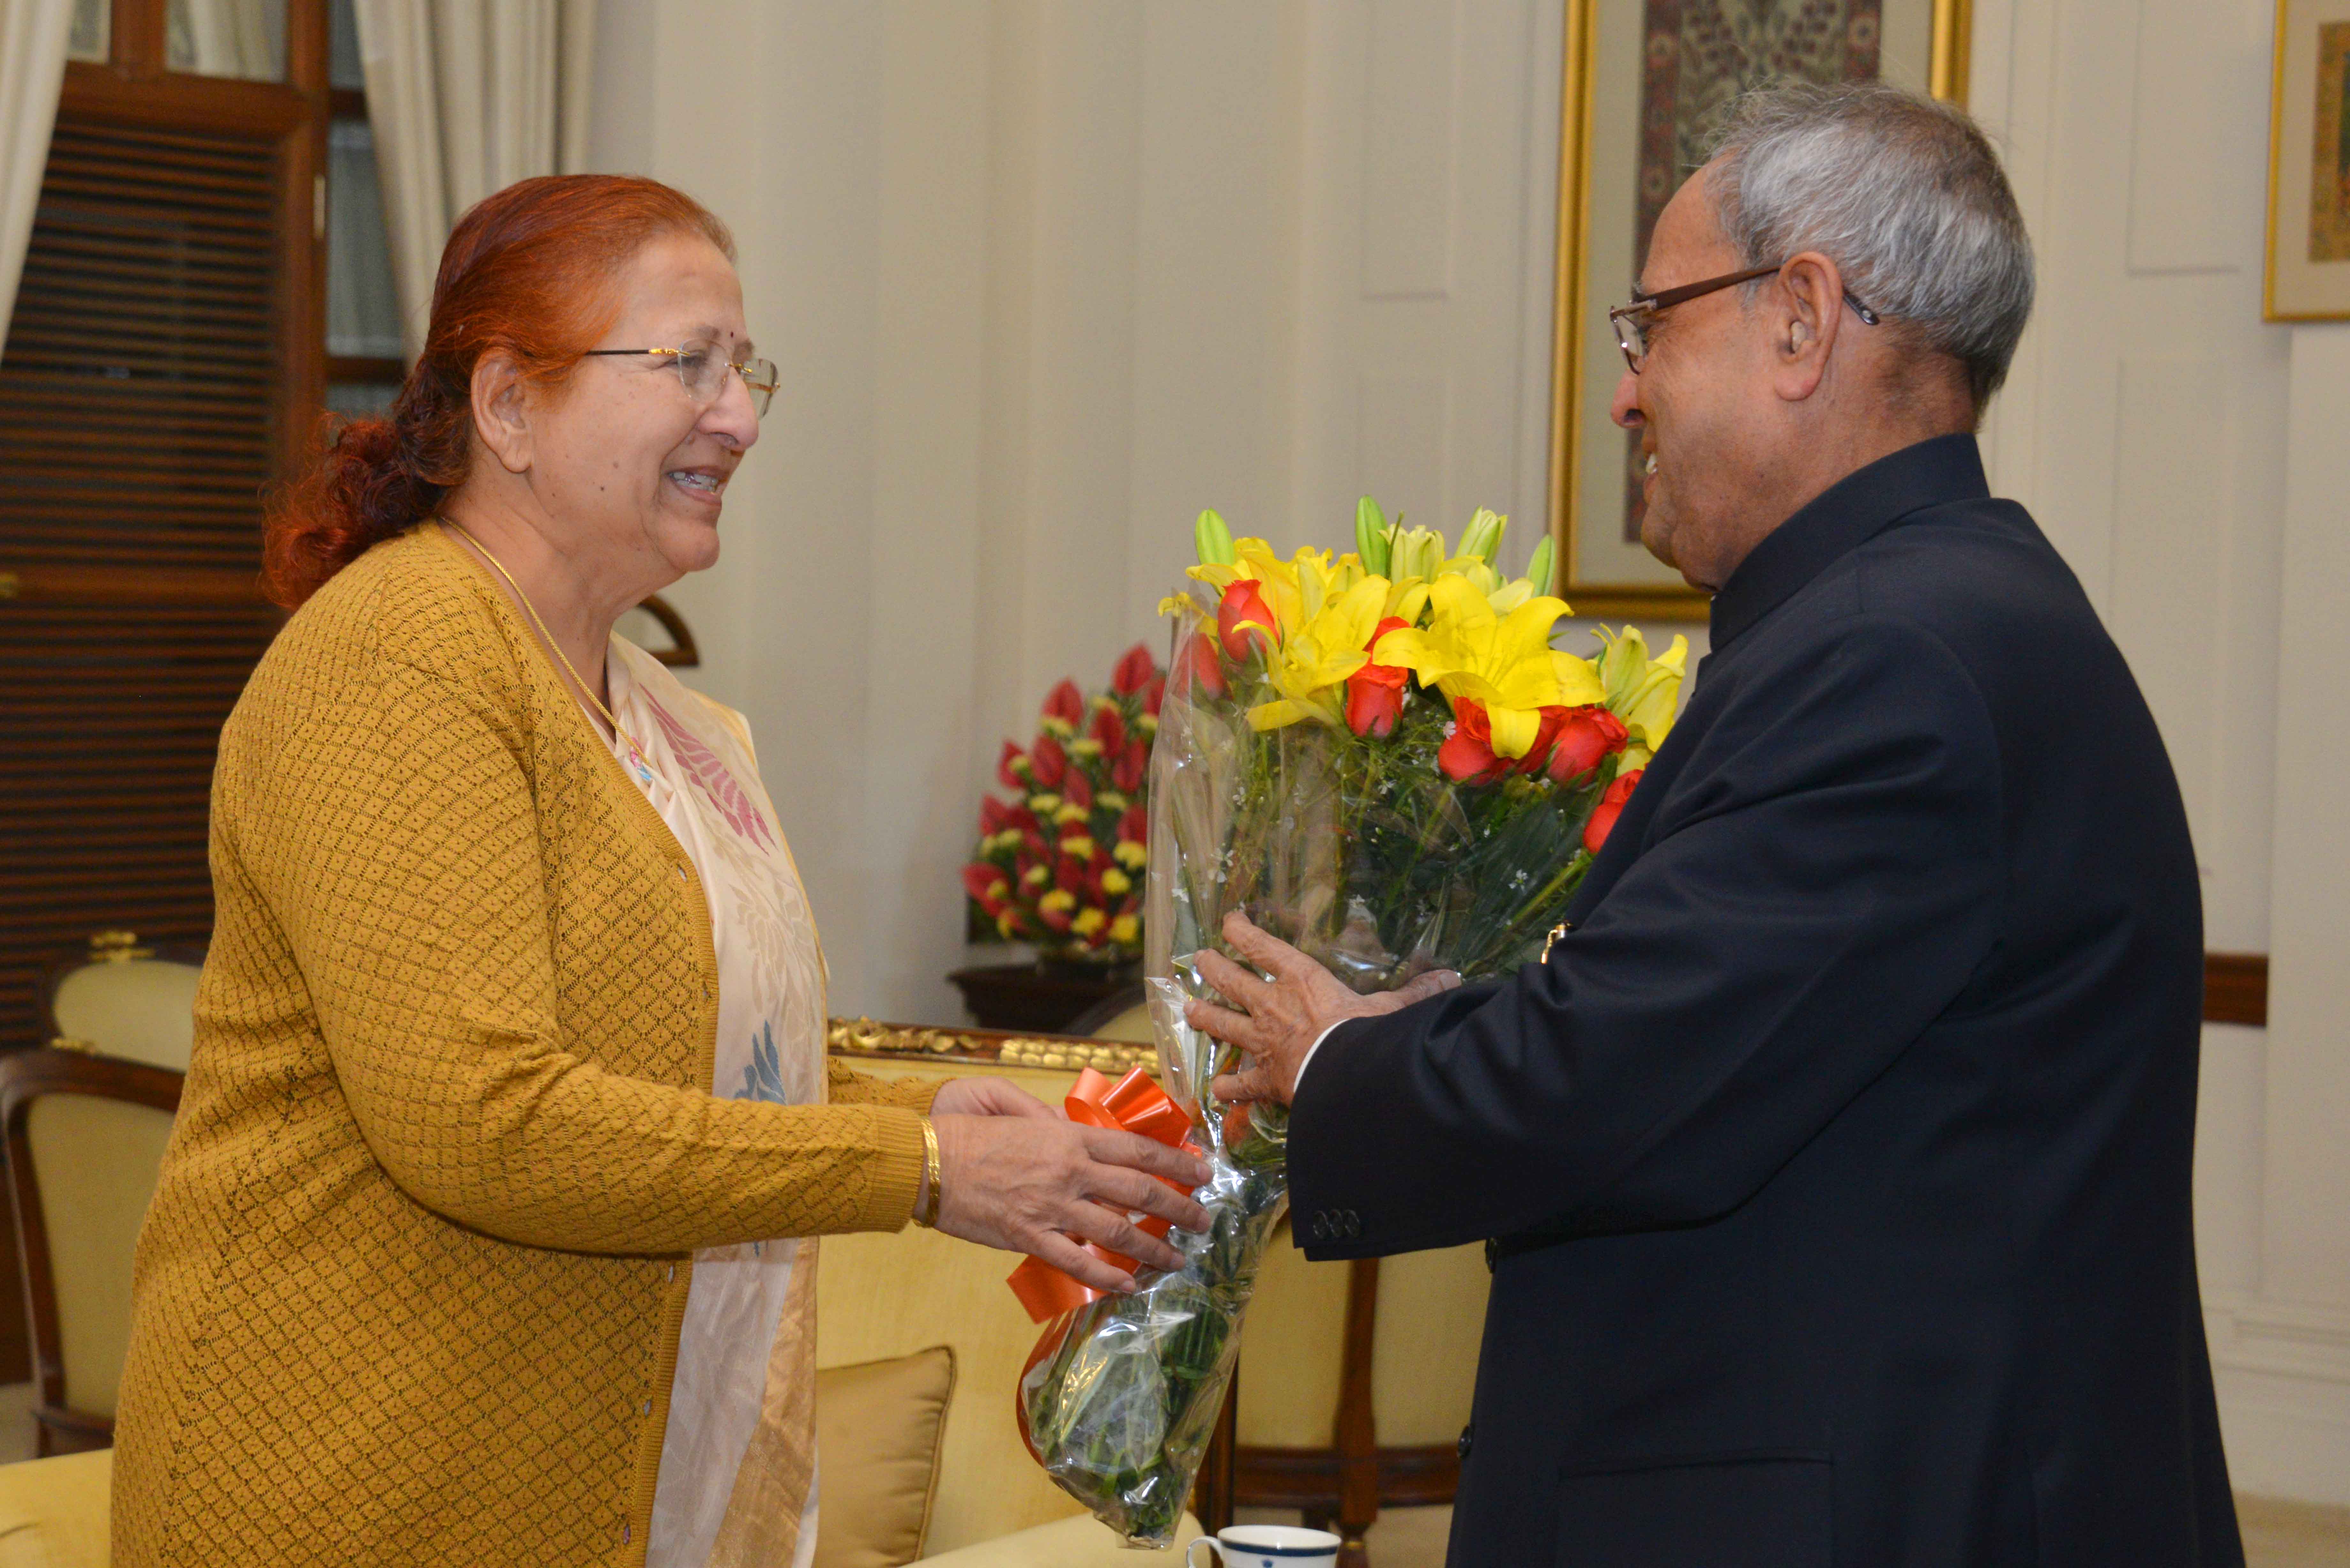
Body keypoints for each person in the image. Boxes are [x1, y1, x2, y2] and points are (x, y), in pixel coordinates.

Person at [1185, 84, 2243, 1566]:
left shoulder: (1894, 660)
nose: (1624, 392)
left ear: (1802, 319)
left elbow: (1621, 1083)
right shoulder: (1931, 614)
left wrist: (1336, 1057)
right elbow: (1740, 1031)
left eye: (1653, 325)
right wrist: (1474, 1015)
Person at [111, 174, 1208, 1568]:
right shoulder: (402, 650)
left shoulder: (659, 713)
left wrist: (917, 1106)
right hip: (357, 1486)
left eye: (745, 370)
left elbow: (669, 1084)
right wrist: (923, 1164)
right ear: (507, 405)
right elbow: (484, 1119)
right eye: (686, 363)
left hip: (585, 1486)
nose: (739, 415)